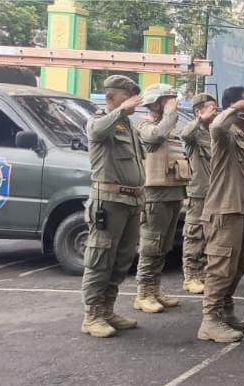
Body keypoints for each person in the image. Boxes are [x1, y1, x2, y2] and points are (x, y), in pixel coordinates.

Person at [79, 75, 144, 338]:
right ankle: (92, 315)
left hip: (131, 201)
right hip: (109, 202)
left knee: (122, 259)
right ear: (110, 97)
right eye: (127, 97)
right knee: (100, 258)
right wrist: (120, 110)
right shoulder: (100, 120)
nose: (133, 102)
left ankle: (107, 310)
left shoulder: (128, 126)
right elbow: (95, 132)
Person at [198, 86, 244, 343]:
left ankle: (225, 312)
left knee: (237, 268)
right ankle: (210, 321)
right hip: (225, 211)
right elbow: (216, 127)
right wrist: (234, 109)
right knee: (221, 268)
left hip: (242, 210)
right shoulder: (226, 133)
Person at [132, 83, 189, 313]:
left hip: (173, 192)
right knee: (151, 244)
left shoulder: (168, 127)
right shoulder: (145, 125)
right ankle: (143, 293)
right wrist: (170, 114)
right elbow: (154, 138)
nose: (172, 103)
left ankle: (155, 289)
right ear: (155, 103)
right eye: (167, 99)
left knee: (164, 245)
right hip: (155, 195)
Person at [179, 93, 217, 295]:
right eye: (211, 108)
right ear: (198, 111)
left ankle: (203, 272)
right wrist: (200, 119)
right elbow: (185, 134)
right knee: (195, 233)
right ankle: (191, 275)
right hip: (200, 191)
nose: (215, 111)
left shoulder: (214, 132)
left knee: (210, 234)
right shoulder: (194, 132)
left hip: (216, 192)